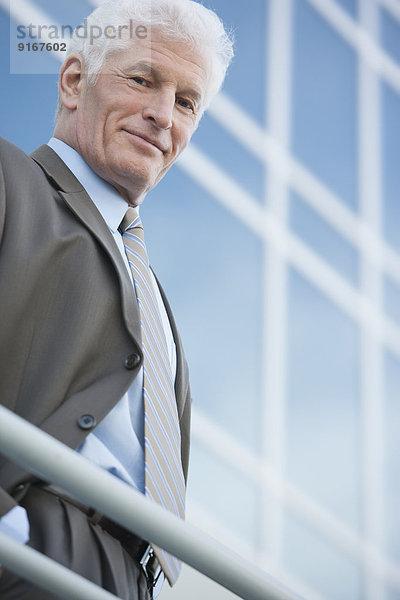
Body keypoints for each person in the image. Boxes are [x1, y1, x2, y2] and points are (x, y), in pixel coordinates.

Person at [0, 0, 233, 598]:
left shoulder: (150, 292)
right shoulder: (9, 183)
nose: (162, 116)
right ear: (75, 81)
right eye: (143, 80)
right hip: (30, 546)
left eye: (187, 103)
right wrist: (13, 529)